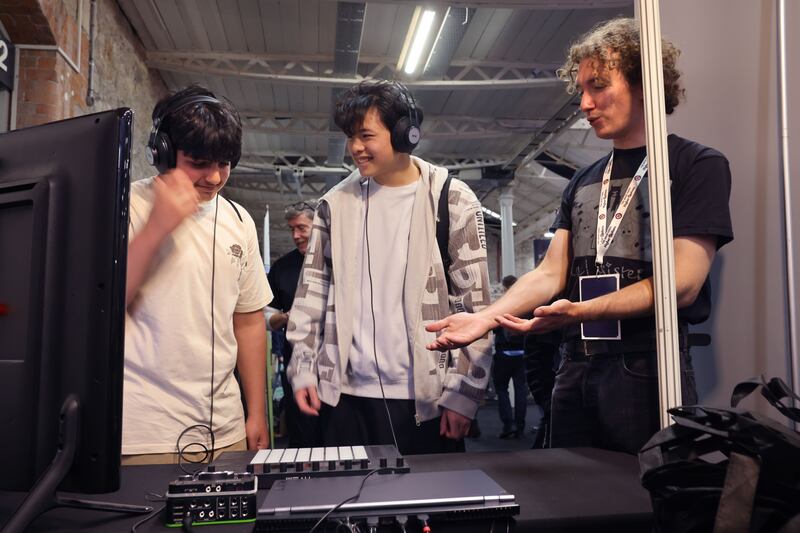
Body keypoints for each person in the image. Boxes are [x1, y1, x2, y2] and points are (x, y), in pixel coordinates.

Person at [426, 18, 734, 455]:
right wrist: (486, 319)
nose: (585, 103)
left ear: (645, 82)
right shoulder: (585, 178)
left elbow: (682, 284)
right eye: (582, 90)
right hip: (575, 364)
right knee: (572, 497)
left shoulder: (694, 165)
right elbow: (551, 272)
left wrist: (582, 310)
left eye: (599, 86)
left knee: (643, 502)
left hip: (647, 362)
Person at [286, 79, 492, 455]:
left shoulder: (452, 199)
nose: (355, 148)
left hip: (424, 401)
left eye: (365, 135)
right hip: (343, 400)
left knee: (428, 511)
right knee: (346, 511)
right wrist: (302, 369)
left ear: (405, 134)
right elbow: (311, 295)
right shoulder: (334, 205)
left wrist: (464, 393)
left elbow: (474, 305)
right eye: (350, 137)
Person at [122, 85, 272, 464]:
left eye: (224, 164)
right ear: (163, 153)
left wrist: (256, 413)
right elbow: (99, 305)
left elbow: (249, 321)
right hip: (143, 434)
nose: (214, 177)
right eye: (199, 162)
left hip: (226, 430)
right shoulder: (125, 205)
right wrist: (157, 227)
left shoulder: (239, 221)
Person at [265, 200, 322, 447]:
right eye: (291, 230)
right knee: (305, 438)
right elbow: (266, 316)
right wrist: (287, 317)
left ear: (318, 226)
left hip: (338, 372)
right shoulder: (281, 268)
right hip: (296, 369)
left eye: (301, 228)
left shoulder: (340, 261)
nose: (296, 236)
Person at [492, 276, 529, 439]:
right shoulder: (528, 304)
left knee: (501, 390)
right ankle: (520, 426)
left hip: (503, 355)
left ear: (505, 287)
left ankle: (508, 425)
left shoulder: (502, 305)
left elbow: (494, 328)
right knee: (521, 390)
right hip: (522, 354)